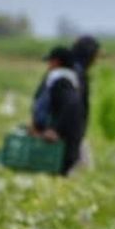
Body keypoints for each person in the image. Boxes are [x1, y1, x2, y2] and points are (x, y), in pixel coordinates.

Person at [30, 46, 84, 176]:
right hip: (67, 137)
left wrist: (54, 129)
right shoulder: (69, 80)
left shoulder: (61, 82)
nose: (48, 65)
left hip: (63, 140)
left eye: (50, 61)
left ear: (57, 62)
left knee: (60, 173)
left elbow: (71, 104)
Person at [69, 35, 100, 171]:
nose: (96, 61)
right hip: (69, 134)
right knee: (82, 170)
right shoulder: (75, 74)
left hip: (73, 133)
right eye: (96, 56)